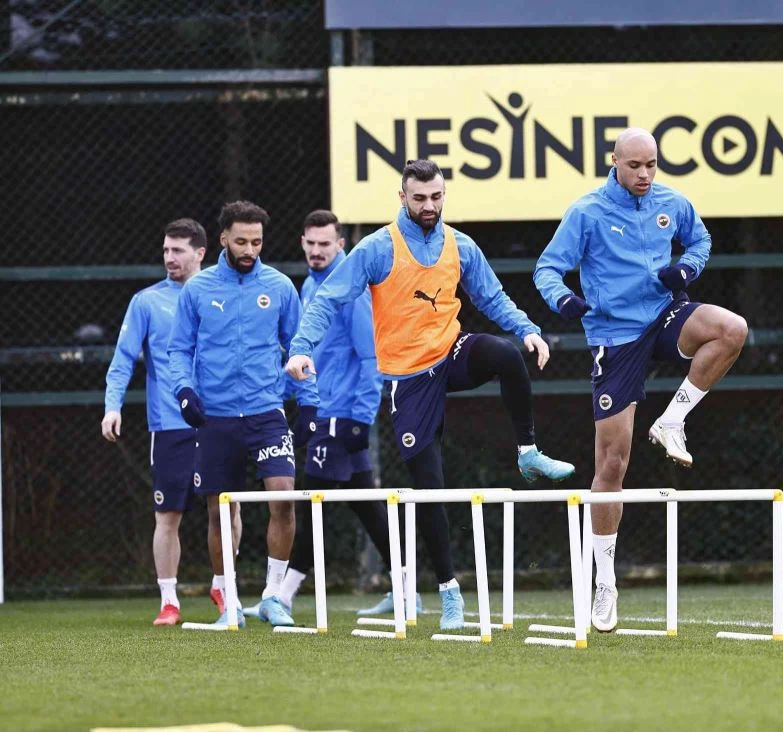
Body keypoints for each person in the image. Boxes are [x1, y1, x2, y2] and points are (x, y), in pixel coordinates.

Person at [285, 160, 574, 631]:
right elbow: (330, 299)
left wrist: (527, 329)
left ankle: (528, 452)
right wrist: (301, 347)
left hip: (451, 352)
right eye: (419, 198)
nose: (429, 205)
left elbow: (491, 296)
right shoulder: (378, 248)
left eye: (436, 197)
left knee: (505, 354)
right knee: (430, 485)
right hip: (409, 377)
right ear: (402, 197)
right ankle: (449, 592)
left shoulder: (461, 245)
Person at [534, 127, 748, 632]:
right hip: (615, 335)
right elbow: (547, 268)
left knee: (732, 329)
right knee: (612, 462)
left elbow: (700, 240)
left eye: (652, 164)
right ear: (614, 162)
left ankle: (672, 421)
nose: (645, 174)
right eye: (635, 166)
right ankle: (605, 581)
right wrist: (563, 300)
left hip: (664, 315)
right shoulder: (587, 212)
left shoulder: (671, 201)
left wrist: (687, 269)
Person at [244, 209, 421, 618]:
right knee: (363, 504)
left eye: (325, 244)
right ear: (302, 243)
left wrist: (361, 418)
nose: (317, 251)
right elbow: (308, 355)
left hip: (340, 416)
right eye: (311, 243)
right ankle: (406, 590)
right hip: (324, 410)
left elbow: (372, 357)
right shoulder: (310, 285)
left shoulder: (350, 290)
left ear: (341, 244)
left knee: (313, 505)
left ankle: (282, 596)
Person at [168, 200, 319, 628]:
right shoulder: (197, 290)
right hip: (215, 417)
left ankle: (273, 597)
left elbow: (299, 347)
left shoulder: (280, 287)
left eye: (256, 241)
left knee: (283, 496)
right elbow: (179, 349)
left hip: (266, 411)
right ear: (223, 239)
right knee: (220, 511)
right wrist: (184, 391)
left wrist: (309, 401)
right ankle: (230, 601)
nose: (250, 249)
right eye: (241, 241)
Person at [102, 218, 243, 626]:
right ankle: (169, 601)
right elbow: (123, 359)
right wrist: (113, 406)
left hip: (219, 420)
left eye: (178, 250)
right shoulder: (146, 302)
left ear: (201, 253)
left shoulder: (223, 292)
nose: (169, 257)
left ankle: (223, 586)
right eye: (166, 250)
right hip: (169, 424)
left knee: (226, 509)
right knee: (167, 515)